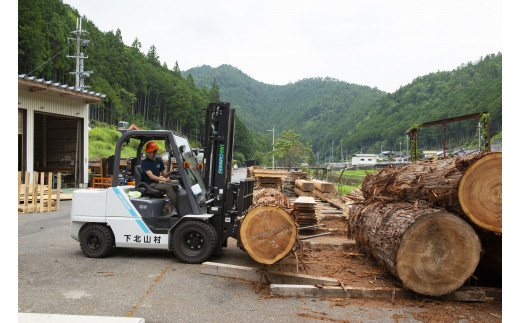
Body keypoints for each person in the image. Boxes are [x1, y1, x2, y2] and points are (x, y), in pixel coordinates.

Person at [141, 141, 178, 211]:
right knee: (168, 187)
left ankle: (168, 205)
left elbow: (165, 175)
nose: (148, 154)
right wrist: (165, 180)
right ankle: (176, 207)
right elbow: (151, 176)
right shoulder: (145, 163)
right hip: (149, 184)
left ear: (155, 152)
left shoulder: (159, 161)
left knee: (176, 187)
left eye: (150, 152)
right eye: (147, 152)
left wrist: (172, 171)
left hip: (156, 183)